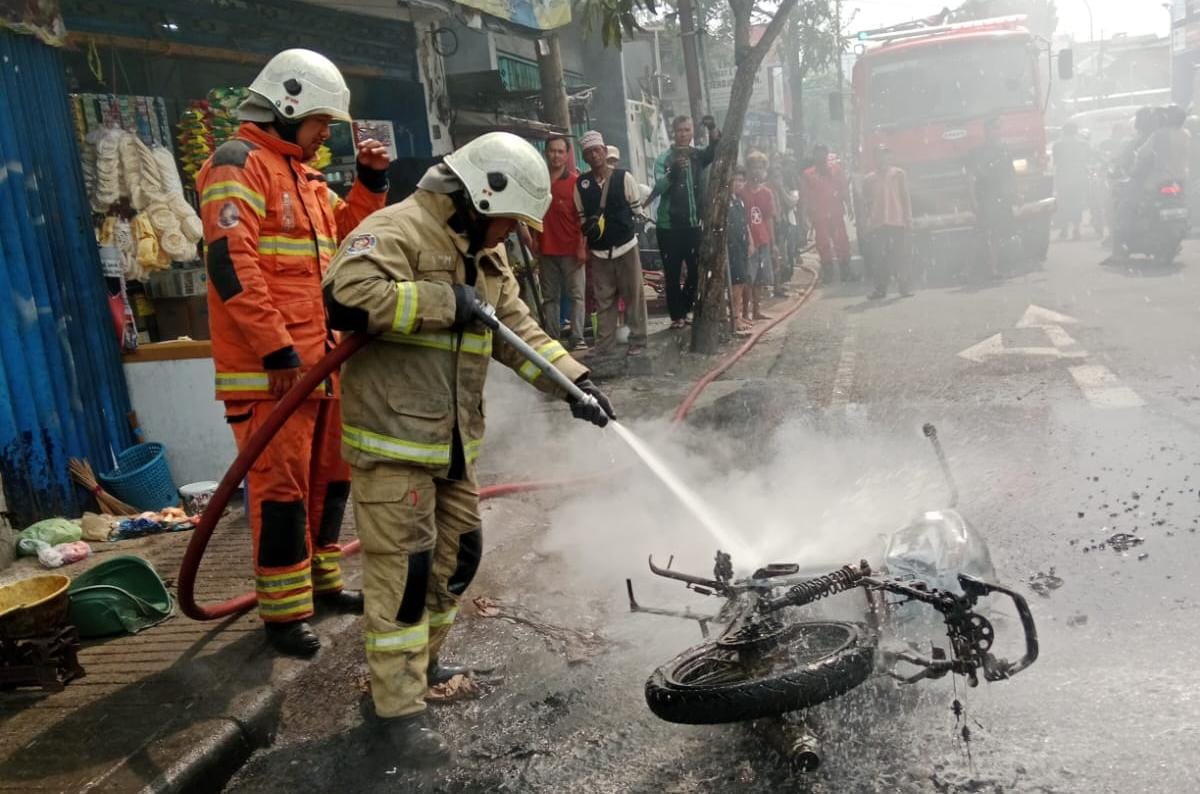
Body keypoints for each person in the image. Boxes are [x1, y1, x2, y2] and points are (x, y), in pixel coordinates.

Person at [322, 131, 614, 767]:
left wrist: (574, 383)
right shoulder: (395, 229)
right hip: (394, 442)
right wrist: (437, 302)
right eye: (509, 222)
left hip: (451, 443)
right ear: (481, 197)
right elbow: (344, 297)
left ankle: (421, 667)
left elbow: (516, 330)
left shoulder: (485, 253)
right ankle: (394, 709)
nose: (510, 235)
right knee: (404, 578)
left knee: (458, 557)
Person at [196, 49, 390, 657]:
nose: (323, 136)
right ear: (287, 107)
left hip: (323, 366)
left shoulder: (303, 179)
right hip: (273, 374)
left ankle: (322, 585)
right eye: (319, 124)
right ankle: (283, 616)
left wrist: (370, 181)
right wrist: (278, 351)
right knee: (280, 494)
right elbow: (233, 266)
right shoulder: (238, 166)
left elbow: (351, 239)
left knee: (331, 482)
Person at [575, 130, 648, 357]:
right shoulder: (582, 184)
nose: (594, 155)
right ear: (584, 157)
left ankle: (638, 339)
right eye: (589, 153)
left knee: (633, 294)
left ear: (604, 152)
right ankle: (604, 344)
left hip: (626, 245)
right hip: (599, 251)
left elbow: (637, 210)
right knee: (603, 299)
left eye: (597, 150)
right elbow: (582, 218)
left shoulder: (624, 178)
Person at [647, 115, 720, 329]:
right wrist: (673, 173)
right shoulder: (664, 158)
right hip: (668, 226)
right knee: (671, 273)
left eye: (687, 130)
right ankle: (676, 316)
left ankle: (687, 309)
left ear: (692, 133)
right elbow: (658, 188)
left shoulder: (697, 156)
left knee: (696, 270)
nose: (683, 134)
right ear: (674, 133)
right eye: (679, 130)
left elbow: (716, 149)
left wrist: (712, 127)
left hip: (692, 225)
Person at [534, 135, 588, 351]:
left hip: (572, 250)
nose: (555, 155)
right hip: (546, 249)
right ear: (546, 153)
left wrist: (582, 247)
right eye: (552, 151)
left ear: (567, 156)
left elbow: (583, 219)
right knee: (550, 298)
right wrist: (531, 240)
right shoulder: (539, 182)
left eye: (560, 151)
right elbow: (531, 214)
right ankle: (552, 340)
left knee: (576, 296)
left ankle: (577, 338)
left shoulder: (575, 183)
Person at [862, 145, 914, 299]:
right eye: (879, 155)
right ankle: (880, 289)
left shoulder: (899, 174)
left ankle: (904, 287)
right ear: (874, 158)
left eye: (885, 155)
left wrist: (908, 218)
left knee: (900, 256)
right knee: (879, 258)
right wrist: (866, 222)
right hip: (877, 223)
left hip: (897, 220)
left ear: (890, 157)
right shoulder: (868, 179)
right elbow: (866, 203)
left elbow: (905, 197)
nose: (882, 159)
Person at [970, 117, 1018, 279]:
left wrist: (1016, 194)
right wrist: (974, 200)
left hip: (1003, 197)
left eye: (997, 128)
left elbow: (1011, 174)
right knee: (991, 235)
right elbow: (972, 177)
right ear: (986, 131)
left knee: (1005, 232)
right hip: (987, 197)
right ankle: (992, 268)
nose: (995, 131)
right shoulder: (978, 152)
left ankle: (1001, 266)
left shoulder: (1004, 150)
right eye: (992, 128)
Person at [803, 144, 854, 284]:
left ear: (826, 155)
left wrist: (849, 206)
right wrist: (805, 215)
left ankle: (846, 271)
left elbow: (843, 188)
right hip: (819, 216)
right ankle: (828, 273)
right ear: (814, 156)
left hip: (836, 212)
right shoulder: (808, 174)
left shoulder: (836, 170)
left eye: (823, 153)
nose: (820, 156)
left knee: (842, 241)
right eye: (817, 154)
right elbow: (805, 196)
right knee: (823, 244)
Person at [742, 151, 777, 320]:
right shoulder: (741, 192)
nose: (757, 171)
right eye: (753, 167)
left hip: (762, 239)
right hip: (746, 242)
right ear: (747, 169)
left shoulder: (767, 193)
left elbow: (769, 219)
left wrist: (773, 242)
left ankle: (756, 310)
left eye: (761, 168)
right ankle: (744, 313)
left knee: (760, 279)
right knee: (747, 277)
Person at [1053, 122, 1091, 241]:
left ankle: (1064, 229)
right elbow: (1088, 159)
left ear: (1063, 131)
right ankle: (1076, 229)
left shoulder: (1057, 144)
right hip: (1079, 177)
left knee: (1064, 204)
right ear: (1075, 131)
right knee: (1077, 203)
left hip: (1064, 178)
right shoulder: (1083, 143)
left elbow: (1056, 161)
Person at [727, 167, 753, 333]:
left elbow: (745, 224)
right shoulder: (724, 202)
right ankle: (735, 319)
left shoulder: (739, 201)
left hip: (742, 244)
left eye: (742, 181)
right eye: (736, 180)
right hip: (731, 247)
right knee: (735, 283)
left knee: (742, 280)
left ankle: (739, 314)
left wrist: (750, 241)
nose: (739, 184)